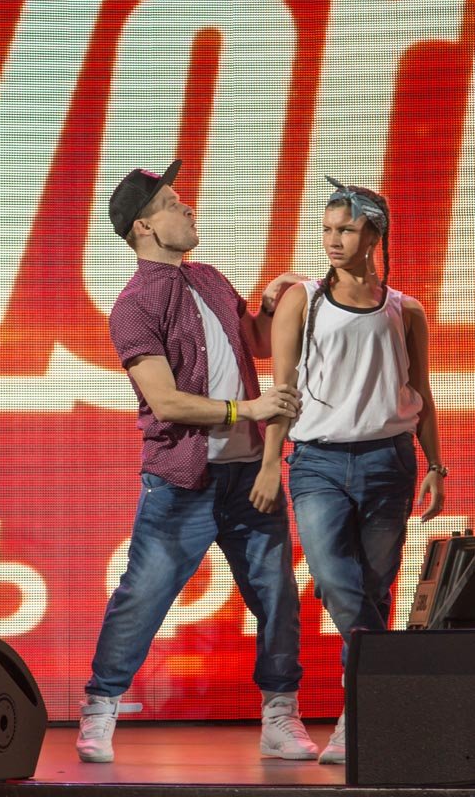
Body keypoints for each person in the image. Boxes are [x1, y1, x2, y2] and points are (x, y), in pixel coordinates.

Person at [76, 159, 319, 763]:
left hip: (248, 477)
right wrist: (249, 409)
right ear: (144, 227)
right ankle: (100, 709)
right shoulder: (134, 305)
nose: (188, 209)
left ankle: (280, 714)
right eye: (172, 204)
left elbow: (255, 341)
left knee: (277, 596)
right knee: (143, 595)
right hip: (181, 481)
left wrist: (272, 302)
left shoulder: (208, 278)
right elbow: (165, 401)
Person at [250, 177, 446, 765]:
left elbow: (421, 392)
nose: (333, 240)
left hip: (390, 460)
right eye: (327, 230)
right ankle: (380, 693)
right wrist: (269, 462)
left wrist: (436, 465)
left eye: (347, 229)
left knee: (377, 588)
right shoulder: (302, 298)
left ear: (374, 236)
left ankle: (355, 718)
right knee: (337, 581)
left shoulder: (404, 309)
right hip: (318, 463)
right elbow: (283, 390)